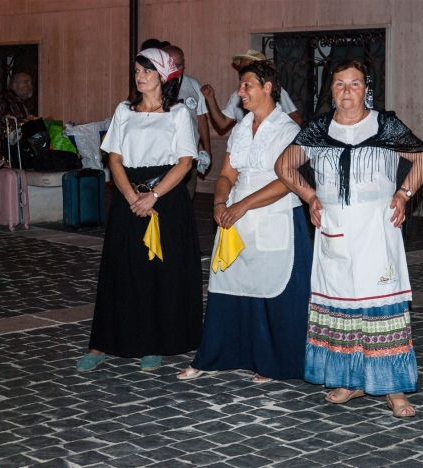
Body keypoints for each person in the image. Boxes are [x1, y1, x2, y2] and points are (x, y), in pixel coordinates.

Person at [275, 59, 423, 418]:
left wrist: (403, 194)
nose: (347, 91)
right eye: (340, 84)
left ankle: (393, 388)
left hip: (378, 227)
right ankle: (351, 379)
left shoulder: (385, 125)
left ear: (367, 89)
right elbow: (284, 167)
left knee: (381, 303)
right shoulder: (318, 129)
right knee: (342, 302)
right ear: (330, 90)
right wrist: (310, 197)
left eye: (355, 84)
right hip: (334, 227)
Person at [177, 60, 311, 382]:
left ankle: (272, 362)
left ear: (267, 87)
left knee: (272, 291)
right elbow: (226, 174)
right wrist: (221, 202)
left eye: (246, 85)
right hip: (236, 216)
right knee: (228, 286)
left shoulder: (288, 129)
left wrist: (244, 205)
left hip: (274, 214)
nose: (240, 92)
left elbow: (286, 182)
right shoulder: (240, 127)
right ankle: (215, 356)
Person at [76, 48, 203, 372]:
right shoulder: (124, 110)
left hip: (166, 196)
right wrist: (132, 195)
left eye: (146, 71)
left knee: (158, 271)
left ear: (162, 76)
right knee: (121, 268)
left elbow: (186, 161)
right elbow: (113, 158)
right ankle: (102, 343)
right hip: (128, 193)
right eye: (136, 71)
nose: (139, 76)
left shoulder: (178, 113)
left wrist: (153, 195)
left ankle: (154, 342)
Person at [202, 49, 302, 135]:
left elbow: (297, 120)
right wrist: (210, 99)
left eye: (246, 67)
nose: (243, 71)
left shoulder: (273, 91)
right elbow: (222, 123)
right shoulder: (237, 95)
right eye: (241, 68)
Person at [164, 45, 212, 199]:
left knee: (186, 197)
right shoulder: (154, 86)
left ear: (184, 64)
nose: (175, 69)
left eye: (179, 65)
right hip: (163, 156)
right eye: (171, 65)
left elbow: (201, 119)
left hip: (188, 153)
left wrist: (207, 149)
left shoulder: (193, 84)